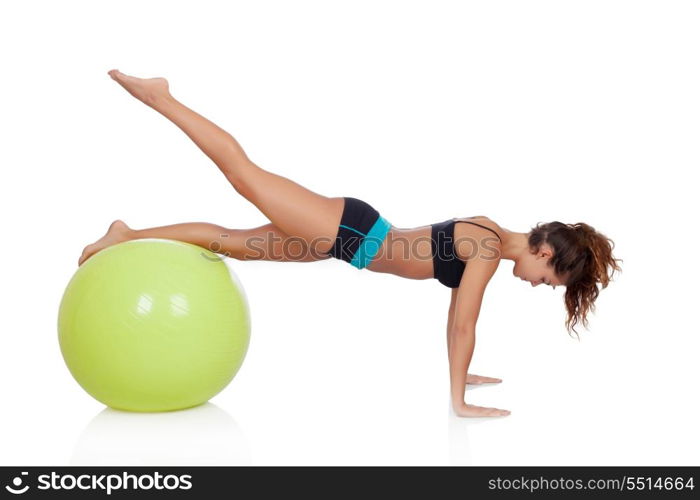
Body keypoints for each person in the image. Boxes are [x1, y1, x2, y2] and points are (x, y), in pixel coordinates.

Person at [80, 69, 623, 418]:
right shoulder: (484, 251)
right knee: (245, 176)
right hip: (348, 231)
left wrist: (465, 373)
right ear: (545, 253)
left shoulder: (487, 234)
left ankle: (128, 235)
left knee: (229, 243)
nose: (537, 284)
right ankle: (160, 97)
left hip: (342, 243)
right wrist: (457, 400)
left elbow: (459, 320)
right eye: (549, 280)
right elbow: (463, 324)